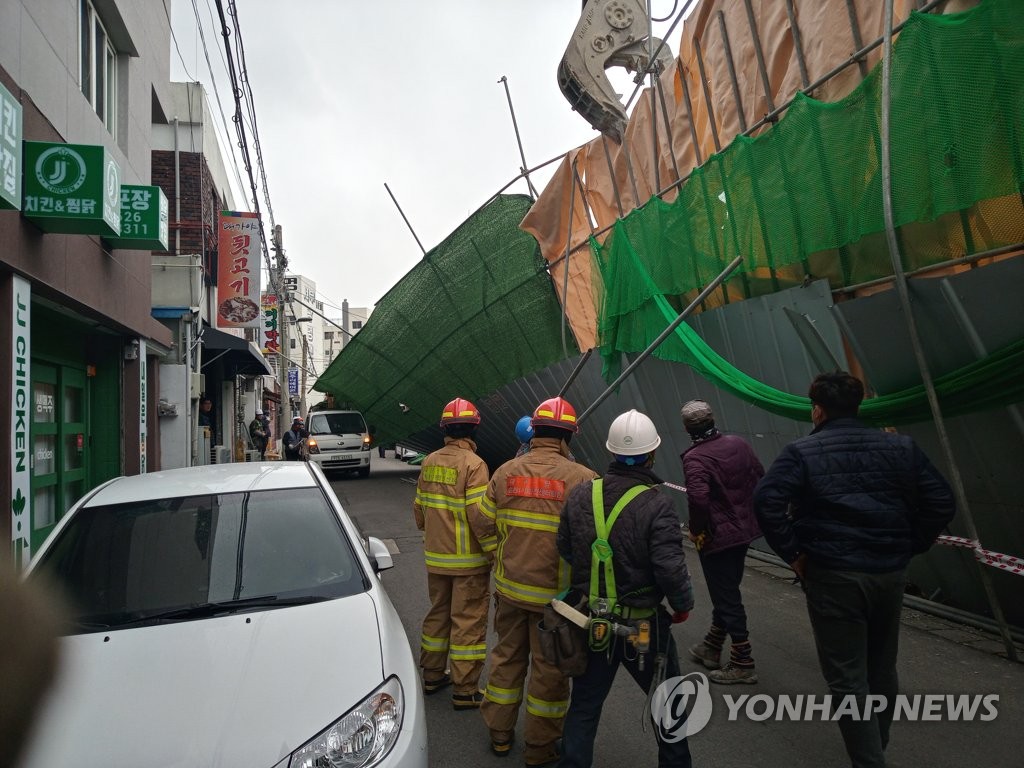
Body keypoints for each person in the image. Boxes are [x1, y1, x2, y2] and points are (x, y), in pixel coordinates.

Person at [754, 371, 955, 768]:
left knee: (847, 676)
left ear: (817, 410)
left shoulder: (802, 453)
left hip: (833, 575)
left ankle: (870, 761)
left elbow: (766, 502)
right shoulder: (901, 448)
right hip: (889, 572)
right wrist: (909, 544)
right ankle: (875, 747)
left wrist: (794, 554)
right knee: (882, 668)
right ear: (858, 405)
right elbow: (941, 503)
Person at [557, 409, 695, 768]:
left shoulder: (581, 494)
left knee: (585, 706)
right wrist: (682, 604)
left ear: (612, 452)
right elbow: (669, 568)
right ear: (651, 455)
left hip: (593, 625)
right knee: (667, 705)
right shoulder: (658, 503)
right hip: (643, 629)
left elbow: (565, 547)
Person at [479, 397, 598, 768]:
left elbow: (483, 521)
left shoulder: (505, 472)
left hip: (510, 591)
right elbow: (594, 542)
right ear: (567, 438)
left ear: (535, 432)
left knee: (506, 661)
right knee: (549, 674)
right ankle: (539, 747)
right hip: (555, 602)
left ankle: (500, 734)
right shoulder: (585, 480)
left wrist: (499, 553)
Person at [412, 398, 494, 710]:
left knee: (438, 615)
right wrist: (494, 554)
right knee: (468, 622)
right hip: (468, 563)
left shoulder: (429, 461)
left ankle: (432, 674)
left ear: (445, 429)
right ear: (474, 429)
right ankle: (466, 689)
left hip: (436, 558)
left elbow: (419, 510)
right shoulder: (474, 465)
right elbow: (481, 518)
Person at [679, 399, 764, 684]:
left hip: (718, 537)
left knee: (726, 596)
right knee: (726, 590)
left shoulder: (696, 458)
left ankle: (743, 661)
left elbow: (698, 499)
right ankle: (712, 646)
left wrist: (696, 529)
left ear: (687, 428)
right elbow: (759, 476)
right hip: (744, 532)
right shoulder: (738, 444)